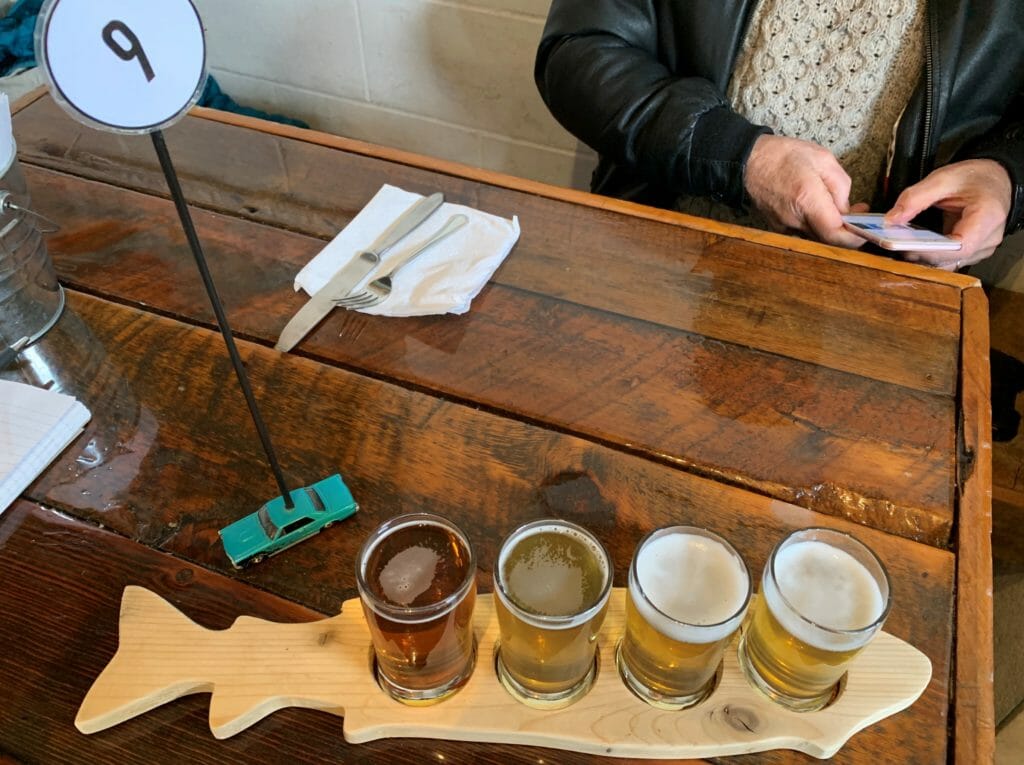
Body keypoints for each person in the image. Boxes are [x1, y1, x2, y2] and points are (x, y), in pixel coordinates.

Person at [535, 1, 1024, 270]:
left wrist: (1005, 175)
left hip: (892, 304)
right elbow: (578, 51)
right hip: (660, 255)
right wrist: (738, 156)